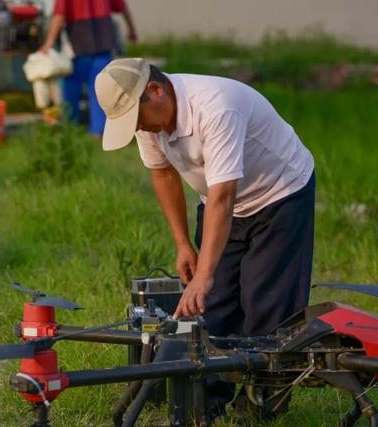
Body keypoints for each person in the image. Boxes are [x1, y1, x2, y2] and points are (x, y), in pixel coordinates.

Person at [94, 58, 316, 418]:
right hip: (217, 201)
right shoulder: (148, 118)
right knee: (213, 306)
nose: (140, 128)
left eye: (138, 119)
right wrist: (184, 244)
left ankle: (260, 407)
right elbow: (163, 173)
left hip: (279, 195)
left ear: (156, 89)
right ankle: (206, 404)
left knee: (266, 304)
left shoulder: (216, 106)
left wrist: (205, 273)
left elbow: (224, 195)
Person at [39, 0, 137, 136]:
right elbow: (122, 7)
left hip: (78, 45)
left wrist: (49, 43)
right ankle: (98, 132)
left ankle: (71, 129)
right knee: (101, 91)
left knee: (71, 90)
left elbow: (59, 15)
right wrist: (131, 29)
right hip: (103, 42)